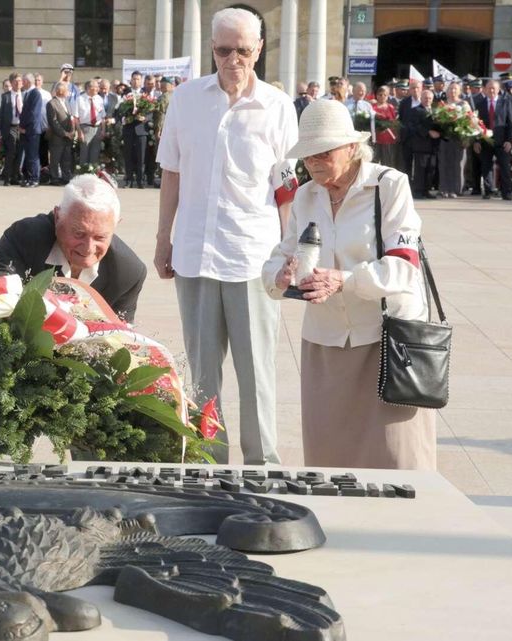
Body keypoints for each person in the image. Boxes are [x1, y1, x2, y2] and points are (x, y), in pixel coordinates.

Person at [155, 7, 297, 465]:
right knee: (202, 377)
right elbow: (172, 173)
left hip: (252, 255)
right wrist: (164, 239)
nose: (232, 59)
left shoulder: (277, 106)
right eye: (222, 50)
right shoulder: (186, 99)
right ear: (210, 48)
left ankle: (262, 466)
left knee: (256, 371)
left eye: (242, 50)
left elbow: (286, 188)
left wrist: (291, 251)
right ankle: (207, 461)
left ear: (258, 50)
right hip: (195, 252)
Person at [263, 99, 434, 470]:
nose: (314, 162)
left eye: (324, 152)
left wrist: (346, 280)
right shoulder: (306, 196)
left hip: (388, 340)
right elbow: (285, 251)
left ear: (353, 147)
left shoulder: (389, 185)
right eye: (307, 156)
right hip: (326, 341)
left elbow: (404, 267)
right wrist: (277, 276)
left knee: (396, 456)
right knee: (330, 457)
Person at [0, 174, 146, 320]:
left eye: (100, 237)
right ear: (57, 217)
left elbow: (123, 339)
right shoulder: (25, 238)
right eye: (79, 233)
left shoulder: (128, 273)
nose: (88, 248)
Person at [474, 79, 512, 201]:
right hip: (485, 140)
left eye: (494, 88)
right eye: (489, 88)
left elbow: (511, 123)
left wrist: (509, 140)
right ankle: (488, 191)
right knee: (486, 167)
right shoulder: (479, 103)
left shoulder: (505, 102)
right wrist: (477, 141)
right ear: (485, 90)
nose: (491, 90)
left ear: (498, 90)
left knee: (505, 167)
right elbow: (475, 124)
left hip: (502, 141)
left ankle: (506, 192)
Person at [404, 89, 441, 198]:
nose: (427, 100)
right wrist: (428, 132)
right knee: (420, 169)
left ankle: (426, 190)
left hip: (433, 146)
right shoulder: (415, 110)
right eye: (425, 98)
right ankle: (418, 191)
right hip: (421, 145)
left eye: (430, 98)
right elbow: (413, 126)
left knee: (431, 169)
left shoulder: (436, 111)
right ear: (421, 98)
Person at [436, 82, 470, 198]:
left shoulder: (464, 104)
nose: (453, 91)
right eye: (450, 89)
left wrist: (467, 139)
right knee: (444, 163)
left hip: (459, 139)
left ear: (460, 91)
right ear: (447, 91)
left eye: (455, 89)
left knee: (458, 164)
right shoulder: (442, 105)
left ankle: (456, 189)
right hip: (445, 138)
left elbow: (470, 121)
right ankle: (444, 188)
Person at [46, 81, 76, 186]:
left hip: (68, 136)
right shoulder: (51, 104)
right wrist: (64, 133)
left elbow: (70, 117)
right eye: (66, 90)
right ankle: (54, 178)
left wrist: (72, 131)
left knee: (66, 159)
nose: (68, 92)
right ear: (60, 91)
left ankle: (66, 177)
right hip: (57, 137)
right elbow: (53, 122)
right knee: (55, 159)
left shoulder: (66, 102)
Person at [18, 73, 45, 187]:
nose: (21, 84)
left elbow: (33, 114)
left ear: (28, 82)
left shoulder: (35, 94)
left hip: (32, 130)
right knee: (28, 155)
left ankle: (35, 178)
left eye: (23, 81)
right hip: (26, 129)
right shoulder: (28, 93)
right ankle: (29, 177)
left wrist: (24, 127)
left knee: (33, 155)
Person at [75, 80, 106, 166]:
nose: (97, 88)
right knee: (84, 153)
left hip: (97, 128)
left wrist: (103, 130)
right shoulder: (79, 99)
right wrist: (79, 131)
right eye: (95, 87)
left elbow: (102, 116)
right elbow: (76, 118)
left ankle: (93, 174)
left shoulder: (99, 99)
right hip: (85, 128)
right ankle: (83, 174)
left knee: (95, 154)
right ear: (89, 88)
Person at [371, 84, 400, 170]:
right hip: (376, 139)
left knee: (388, 163)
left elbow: (394, 122)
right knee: (374, 163)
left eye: (385, 95)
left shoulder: (390, 107)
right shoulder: (373, 107)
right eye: (380, 95)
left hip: (388, 139)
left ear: (388, 96)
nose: (382, 97)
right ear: (376, 95)